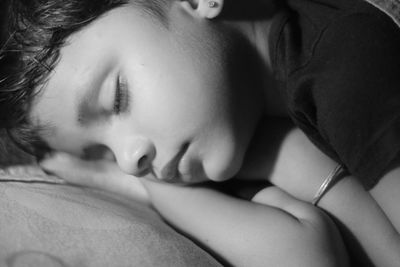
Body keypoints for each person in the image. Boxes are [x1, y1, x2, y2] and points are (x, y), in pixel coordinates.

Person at [1, 0, 400, 266]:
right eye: (102, 153)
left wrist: (294, 161)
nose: (129, 161)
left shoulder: (350, 61)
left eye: (117, 98)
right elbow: (296, 254)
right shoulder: (236, 115)